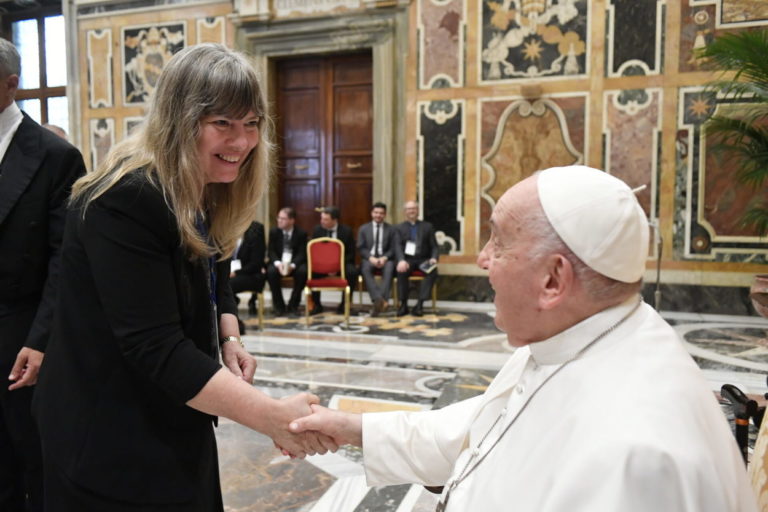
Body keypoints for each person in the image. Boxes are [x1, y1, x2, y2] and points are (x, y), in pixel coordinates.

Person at [290, 166, 758, 511]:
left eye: (498, 242)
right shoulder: (576, 332)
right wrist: (354, 428)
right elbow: (482, 430)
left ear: (553, 281)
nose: (482, 260)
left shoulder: (635, 459)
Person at [32, 44, 335, 512]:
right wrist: (271, 417)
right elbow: (154, 345)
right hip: (109, 432)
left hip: (174, 408)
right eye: (222, 124)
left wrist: (229, 334)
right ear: (179, 120)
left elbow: (214, 265)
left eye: (252, 124)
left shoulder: (201, 184)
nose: (241, 142)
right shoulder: (128, 198)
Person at [0, 38, 85, 512]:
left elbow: (64, 260)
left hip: (21, 335)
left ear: (10, 85)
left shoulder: (55, 156)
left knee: (31, 462)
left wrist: (42, 339)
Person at [308, 206, 356, 315]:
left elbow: (350, 254)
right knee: (309, 271)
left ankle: (345, 304)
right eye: (321, 219)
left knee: (352, 272)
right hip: (321, 266)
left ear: (335, 220)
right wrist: (325, 266)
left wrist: (337, 266)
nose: (322, 222)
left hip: (341, 265)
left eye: (325, 219)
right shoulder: (317, 230)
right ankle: (316, 304)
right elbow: (314, 253)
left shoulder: (346, 231)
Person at [394, 200, 438, 316]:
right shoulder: (399, 228)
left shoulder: (428, 226)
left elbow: (434, 246)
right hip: (407, 260)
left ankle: (420, 304)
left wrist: (433, 258)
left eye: (414, 208)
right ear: (405, 212)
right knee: (401, 271)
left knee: (432, 270)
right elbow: (397, 246)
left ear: (417, 211)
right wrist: (401, 260)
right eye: (409, 209)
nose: (411, 211)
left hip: (424, 259)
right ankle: (403, 304)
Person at [265, 207, 308, 316]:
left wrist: (292, 265)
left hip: (294, 264)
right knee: (271, 272)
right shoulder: (274, 231)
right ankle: (279, 306)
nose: (279, 220)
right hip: (278, 263)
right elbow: (271, 251)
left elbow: (302, 253)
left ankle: (293, 304)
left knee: (303, 271)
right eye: (278, 218)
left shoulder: (301, 233)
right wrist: (278, 264)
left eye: (283, 218)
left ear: (291, 220)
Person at [357, 202, 396, 317]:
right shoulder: (363, 228)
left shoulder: (391, 229)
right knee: (365, 269)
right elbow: (361, 247)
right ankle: (381, 300)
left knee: (390, 267)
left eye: (381, 213)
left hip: (385, 259)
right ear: (371, 213)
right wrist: (371, 258)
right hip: (370, 258)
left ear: (385, 214)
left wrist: (384, 258)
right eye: (376, 212)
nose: (378, 215)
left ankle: (378, 303)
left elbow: (394, 248)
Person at [230, 220, 266, 317]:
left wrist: (236, 273)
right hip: (233, 273)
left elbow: (256, 263)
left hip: (252, 275)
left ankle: (232, 315)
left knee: (228, 285)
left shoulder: (255, 230)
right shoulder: (227, 228)